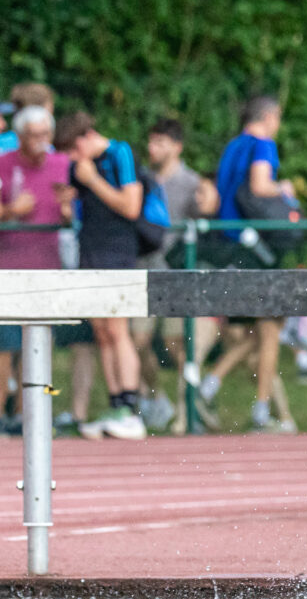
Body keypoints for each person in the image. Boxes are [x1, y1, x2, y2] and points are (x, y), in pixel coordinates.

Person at [52, 112, 147, 441]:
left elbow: (131, 206)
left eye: (71, 152)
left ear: (83, 140)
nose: (70, 161)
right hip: (89, 251)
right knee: (102, 331)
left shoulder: (120, 153)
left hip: (117, 253)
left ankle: (130, 407)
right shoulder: (79, 167)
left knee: (118, 329)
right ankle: (114, 403)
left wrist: (92, 180)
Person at [204, 96, 293, 432]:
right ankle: (260, 409)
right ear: (268, 117)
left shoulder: (232, 147)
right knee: (270, 331)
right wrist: (283, 188)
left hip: (232, 244)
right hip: (256, 246)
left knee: (258, 330)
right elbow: (260, 185)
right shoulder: (263, 145)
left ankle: (212, 382)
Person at [129, 118, 220, 432]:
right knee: (137, 340)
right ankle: (157, 398)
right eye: (151, 142)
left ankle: (189, 408)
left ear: (177, 146)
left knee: (178, 345)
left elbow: (208, 220)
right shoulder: (142, 180)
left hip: (177, 276)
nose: (153, 148)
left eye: (161, 142)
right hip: (145, 271)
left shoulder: (193, 182)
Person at [0, 106, 72, 434]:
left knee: (42, 343)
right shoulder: (4, 164)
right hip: (9, 268)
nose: (42, 141)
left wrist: (71, 210)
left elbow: (79, 213)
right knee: (5, 346)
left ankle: (32, 415)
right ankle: (3, 414)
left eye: (46, 134)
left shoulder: (63, 165)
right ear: (20, 136)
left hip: (50, 267)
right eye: (34, 135)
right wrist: (12, 210)